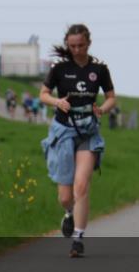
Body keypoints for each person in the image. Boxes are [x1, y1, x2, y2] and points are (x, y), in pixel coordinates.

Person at [39, 24, 117, 258]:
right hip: (63, 131)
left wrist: (102, 109)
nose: (76, 50)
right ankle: (69, 213)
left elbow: (111, 97)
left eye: (81, 45)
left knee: (81, 186)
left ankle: (78, 239)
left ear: (88, 43)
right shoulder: (59, 67)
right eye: (72, 46)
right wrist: (57, 102)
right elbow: (43, 94)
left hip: (87, 133)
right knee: (65, 197)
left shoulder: (99, 68)